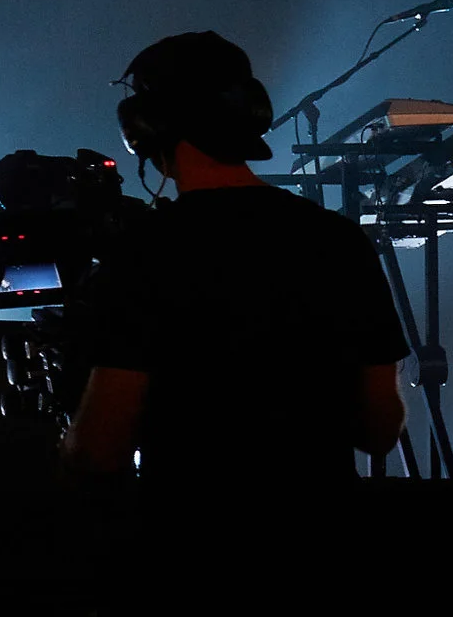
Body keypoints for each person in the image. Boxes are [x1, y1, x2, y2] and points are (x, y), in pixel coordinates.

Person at [62, 31, 409, 484]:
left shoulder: (143, 254)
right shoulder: (340, 240)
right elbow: (381, 430)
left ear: (146, 128)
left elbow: (98, 451)